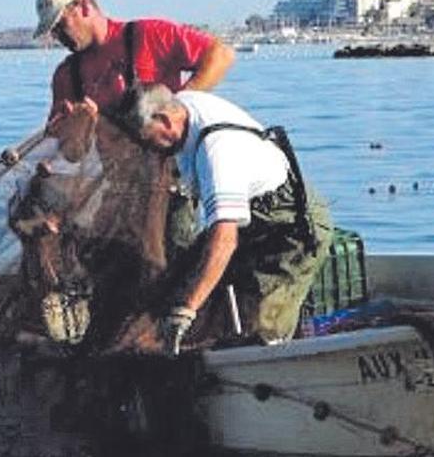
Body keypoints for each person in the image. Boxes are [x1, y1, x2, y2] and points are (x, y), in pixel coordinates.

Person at [117, 84, 333, 353]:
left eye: (148, 140)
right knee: (175, 285)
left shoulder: (218, 154)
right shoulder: (183, 103)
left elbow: (225, 240)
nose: (149, 149)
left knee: (261, 327)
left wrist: (188, 310)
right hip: (249, 218)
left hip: (289, 229)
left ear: (164, 119)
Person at [32, 0, 235, 158]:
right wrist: (79, 127)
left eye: (60, 26)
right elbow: (71, 155)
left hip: (176, 167)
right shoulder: (66, 76)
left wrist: (179, 105)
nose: (58, 36)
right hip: (122, 186)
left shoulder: (148, 35)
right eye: (53, 31)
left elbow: (221, 55)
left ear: (83, 7)